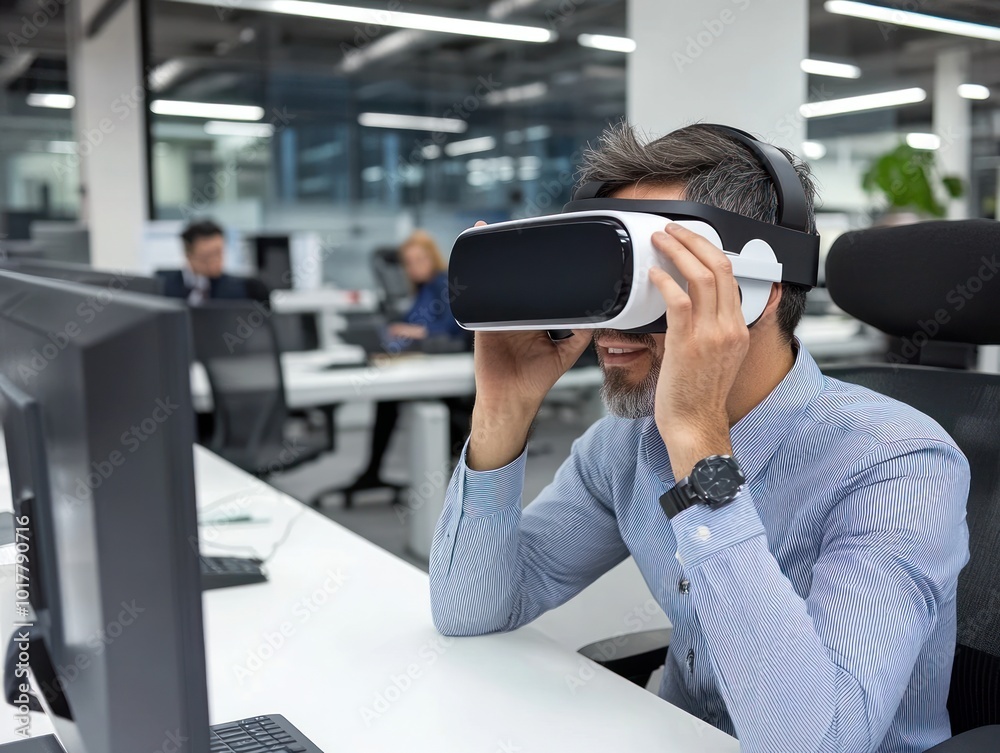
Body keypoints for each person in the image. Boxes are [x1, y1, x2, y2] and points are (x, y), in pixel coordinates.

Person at [428, 123, 970, 753]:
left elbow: (820, 743)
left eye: (654, 277)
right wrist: (502, 408)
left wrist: (699, 449)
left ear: (756, 287)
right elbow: (471, 612)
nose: (609, 325)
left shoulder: (899, 464)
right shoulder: (626, 446)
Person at [344, 230, 468, 503]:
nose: (413, 268)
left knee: (391, 402)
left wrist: (415, 331)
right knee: (386, 401)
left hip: (445, 365)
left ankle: (450, 486)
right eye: (408, 262)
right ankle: (373, 469)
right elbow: (409, 322)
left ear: (431, 258)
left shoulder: (444, 284)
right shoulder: (422, 289)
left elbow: (451, 328)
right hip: (425, 361)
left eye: (419, 260)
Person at [157, 219, 269, 305]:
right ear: (188, 255)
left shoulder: (242, 289)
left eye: (219, 253)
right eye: (208, 256)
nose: (216, 261)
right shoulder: (163, 286)